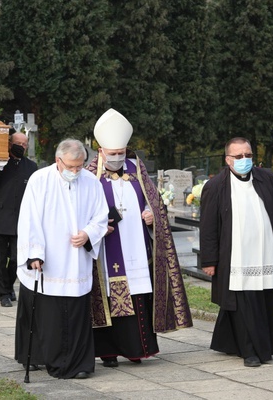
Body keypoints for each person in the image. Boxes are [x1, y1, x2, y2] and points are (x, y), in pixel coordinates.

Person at [88, 109, 193, 368]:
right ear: (100, 151)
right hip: (106, 250)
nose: (117, 158)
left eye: (121, 152)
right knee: (110, 297)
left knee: (138, 295)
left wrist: (153, 216)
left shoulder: (137, 169)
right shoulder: (90, 175)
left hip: (137, 246)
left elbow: (156, 203)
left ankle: (138, 349)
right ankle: (108, 352)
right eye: (111, 153)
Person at [14, 139, 108, 380]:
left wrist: (88, 233)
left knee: (76, 313)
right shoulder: (40, 180)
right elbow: (29, 217)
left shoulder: (91, 182)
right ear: (58, 161)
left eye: (80, 166)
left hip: (76, 260)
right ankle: (37, 356)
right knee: (45, 313)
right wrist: (34, 252)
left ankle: (79, 363)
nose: (76, 172)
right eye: (71, 167)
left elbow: (101, 216)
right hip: (48, 259)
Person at [199, 137, 273, 368]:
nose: (244, 160)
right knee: (242, 302)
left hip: (265, 253)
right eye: (238, 157)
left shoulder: (266, 178)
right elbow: (208, 226)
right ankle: (250, 352)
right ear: (228, 160)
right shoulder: (216, 186)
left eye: (248, 155)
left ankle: (261, 345)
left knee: (264, 299)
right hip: (236, 256)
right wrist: (209, 260)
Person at [0, 131, 37, 307]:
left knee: (16, 258)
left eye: (24, 144)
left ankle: (7, 284)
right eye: (18, 143)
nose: (21, 147)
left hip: (21, 220)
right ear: (9, 143)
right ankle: (3, 294)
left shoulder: (31, 167)